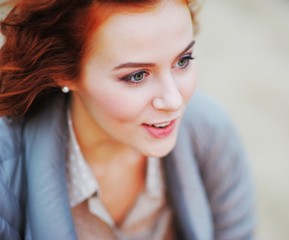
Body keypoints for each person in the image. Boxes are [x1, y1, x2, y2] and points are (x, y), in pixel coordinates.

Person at [0, 0, 255, 239]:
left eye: (183, 60)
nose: (174, 101)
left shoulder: (211, 133)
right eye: (136, 76)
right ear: (63, 71)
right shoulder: (5, 173)